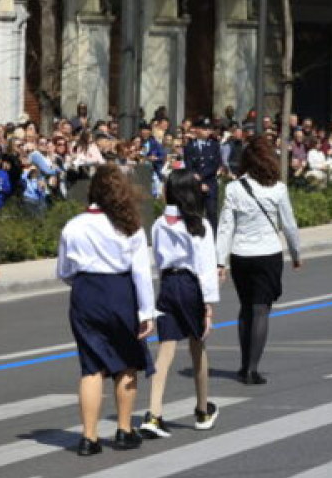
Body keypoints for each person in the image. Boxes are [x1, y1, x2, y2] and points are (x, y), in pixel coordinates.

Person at [56, 164, 155, 456]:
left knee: (91, 366)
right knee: (126, 362)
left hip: (86, 293)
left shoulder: (74, 225)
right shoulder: (130, 225)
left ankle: (89, 437)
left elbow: (64, 270)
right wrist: (147, 311)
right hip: (120, 292)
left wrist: (84, 283)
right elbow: (141, 273)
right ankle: (124, 430)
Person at [139, 172, 221, 439]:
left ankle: (154, 412)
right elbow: (206, 266)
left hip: (168, 284)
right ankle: (202, 408)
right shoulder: (200, 225)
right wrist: (209, 302)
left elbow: (159, 259)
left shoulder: (160, 223)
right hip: (190, 285)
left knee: (166, 348)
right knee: (198, 344)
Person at [216, 135, 302, 386]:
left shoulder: (233, 189)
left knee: (245, 308)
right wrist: (296, 254)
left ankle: (244, 365)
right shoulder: (278, 188)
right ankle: (252, 369)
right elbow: (289, 225)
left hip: (241, 255)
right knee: (261, 309)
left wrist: (220, 262)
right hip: (268, 254)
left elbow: (225, 227)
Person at [184, 119, 223, 228]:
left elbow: (215, 164)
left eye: (208, 129)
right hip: (195, 184)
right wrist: (198, 182)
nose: (207, 131)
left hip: (210, 183)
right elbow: (189, 165)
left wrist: (202, 178)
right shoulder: (190, 146)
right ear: (196, 130)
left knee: (212, 213)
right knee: (196, 213)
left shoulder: (214, 145)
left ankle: (213, 239)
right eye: (204, 129)